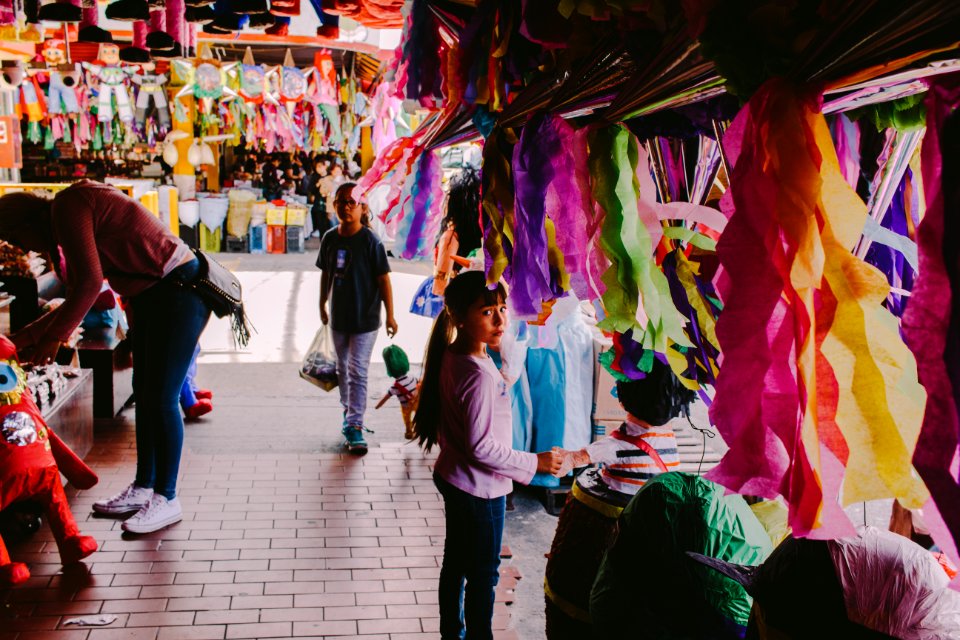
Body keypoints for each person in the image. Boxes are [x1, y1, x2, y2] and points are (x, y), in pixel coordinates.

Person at [0, 181, 211, 534]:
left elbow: (88, 284)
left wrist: (53, 338)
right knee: (144, 393)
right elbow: (80, 291)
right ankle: (145, 487)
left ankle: (167, 497)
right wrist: (18, 340)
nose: (24, 249)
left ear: (24, 225)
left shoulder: (69, 206)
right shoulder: (64, 215)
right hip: (151, 297)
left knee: (161, 397)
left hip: (178, 291)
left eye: (17, 240)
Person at [412, 270, 564, 640]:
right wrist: (535, 462)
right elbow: (481, 446)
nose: (500, 319)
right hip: (480, 491)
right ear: (460, 318)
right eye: (487, 312)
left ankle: (453, 631)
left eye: (501, 308)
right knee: (483, 574)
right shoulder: (478, 374)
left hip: (455, 478)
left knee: (456, 565)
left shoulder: (455, 357)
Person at [317, 182, 397, 454]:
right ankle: (349, 413)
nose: (346, 206)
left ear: (364, 209)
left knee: (357, 370)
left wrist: (391, 316)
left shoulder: (370, 241)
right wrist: (322, 303)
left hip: (366, 319)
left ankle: (356, 424)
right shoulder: (329, 238)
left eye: (353, 201)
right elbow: (325, 273)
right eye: (341, 201)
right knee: (342, 370)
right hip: (339, 317)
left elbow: (384, 280)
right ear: (334, 205)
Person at [375, 344, 418, 440]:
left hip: (405, 406)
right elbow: (418, 386)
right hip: (416, 401)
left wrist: (377, 406)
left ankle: (409, 431)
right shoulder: (412, 377)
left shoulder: (395, 387)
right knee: (419, 413)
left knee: (407, 419)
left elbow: (385, 398)